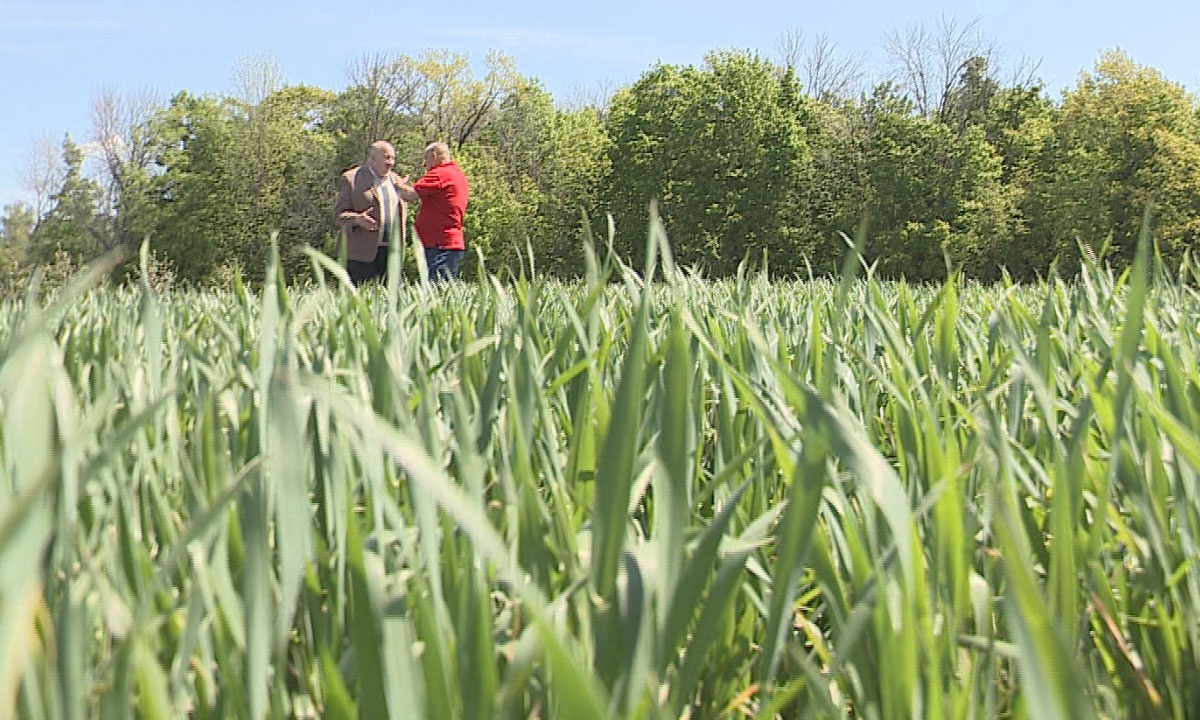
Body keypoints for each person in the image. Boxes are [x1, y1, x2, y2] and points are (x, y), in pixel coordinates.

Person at [333, 140, 407, 285]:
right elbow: (339, 216)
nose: (391, 162)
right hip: (360, 256)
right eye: (386, 157)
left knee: (391, 302)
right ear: (372, 159)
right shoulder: (352, 179)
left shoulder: (397, 181)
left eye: (393, 158)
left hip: (391, 253)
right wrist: (357, 219)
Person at [395, 142, 470, 282]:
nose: (424, 165)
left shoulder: (440, 174)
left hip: (440, 244)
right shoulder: (457, 174)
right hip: (449, 243)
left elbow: (410, 195)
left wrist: (397, 183)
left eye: (426, 159)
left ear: (434, 156)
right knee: (443, 290)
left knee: (435, 292)